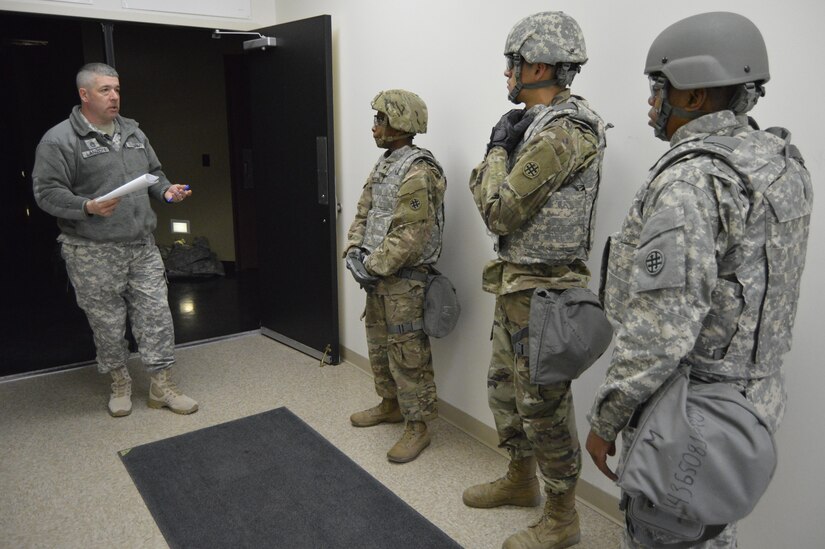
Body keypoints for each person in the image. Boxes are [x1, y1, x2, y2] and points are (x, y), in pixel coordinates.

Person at [586, 12, 813, 548]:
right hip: (751, 403)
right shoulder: (778, 161)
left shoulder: (693, 179)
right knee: (708, 529)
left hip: (690, 408)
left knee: (668, 533)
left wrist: (605, 418)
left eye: (657, 87)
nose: (649, 102)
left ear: (692, 96)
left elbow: (661, 331)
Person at [465, 12, 608, 549]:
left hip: (546, 294)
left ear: (542, 64)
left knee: (543, 407)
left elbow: (498, 211)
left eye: (515, 62)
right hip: (517, 285)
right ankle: (520, 480)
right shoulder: (538, 126)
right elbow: (494, 200)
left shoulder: (566, 131)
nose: (508, 73)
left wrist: (496, 153)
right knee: (506, 392)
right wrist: (498, 159)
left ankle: (562, 516)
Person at [32, 62, 198, 417]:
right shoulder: (60, 139)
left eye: (117, 89)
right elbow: (46, 193)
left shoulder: (134, 132)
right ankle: (120, 381)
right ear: (84, 94)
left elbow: (154, 174)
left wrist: (168, 193)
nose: (114, 97)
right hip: (92, 250)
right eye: (105, 90)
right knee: (106, 321)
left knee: (157, 316)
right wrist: (87, 206)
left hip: (141, 246)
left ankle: (161, 385)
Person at [344, 89, 447, 464]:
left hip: (403, 279)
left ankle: (417, 427)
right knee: (378, 344)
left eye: (381, 120)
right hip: (376, 276)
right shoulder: (385, 163)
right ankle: (389, 404)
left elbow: (410, 235)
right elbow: (364, 211)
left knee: (408, 352)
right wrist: (354, 250)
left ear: (401, 123)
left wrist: (371, 266)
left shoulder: (419, 170)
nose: (374, 127)